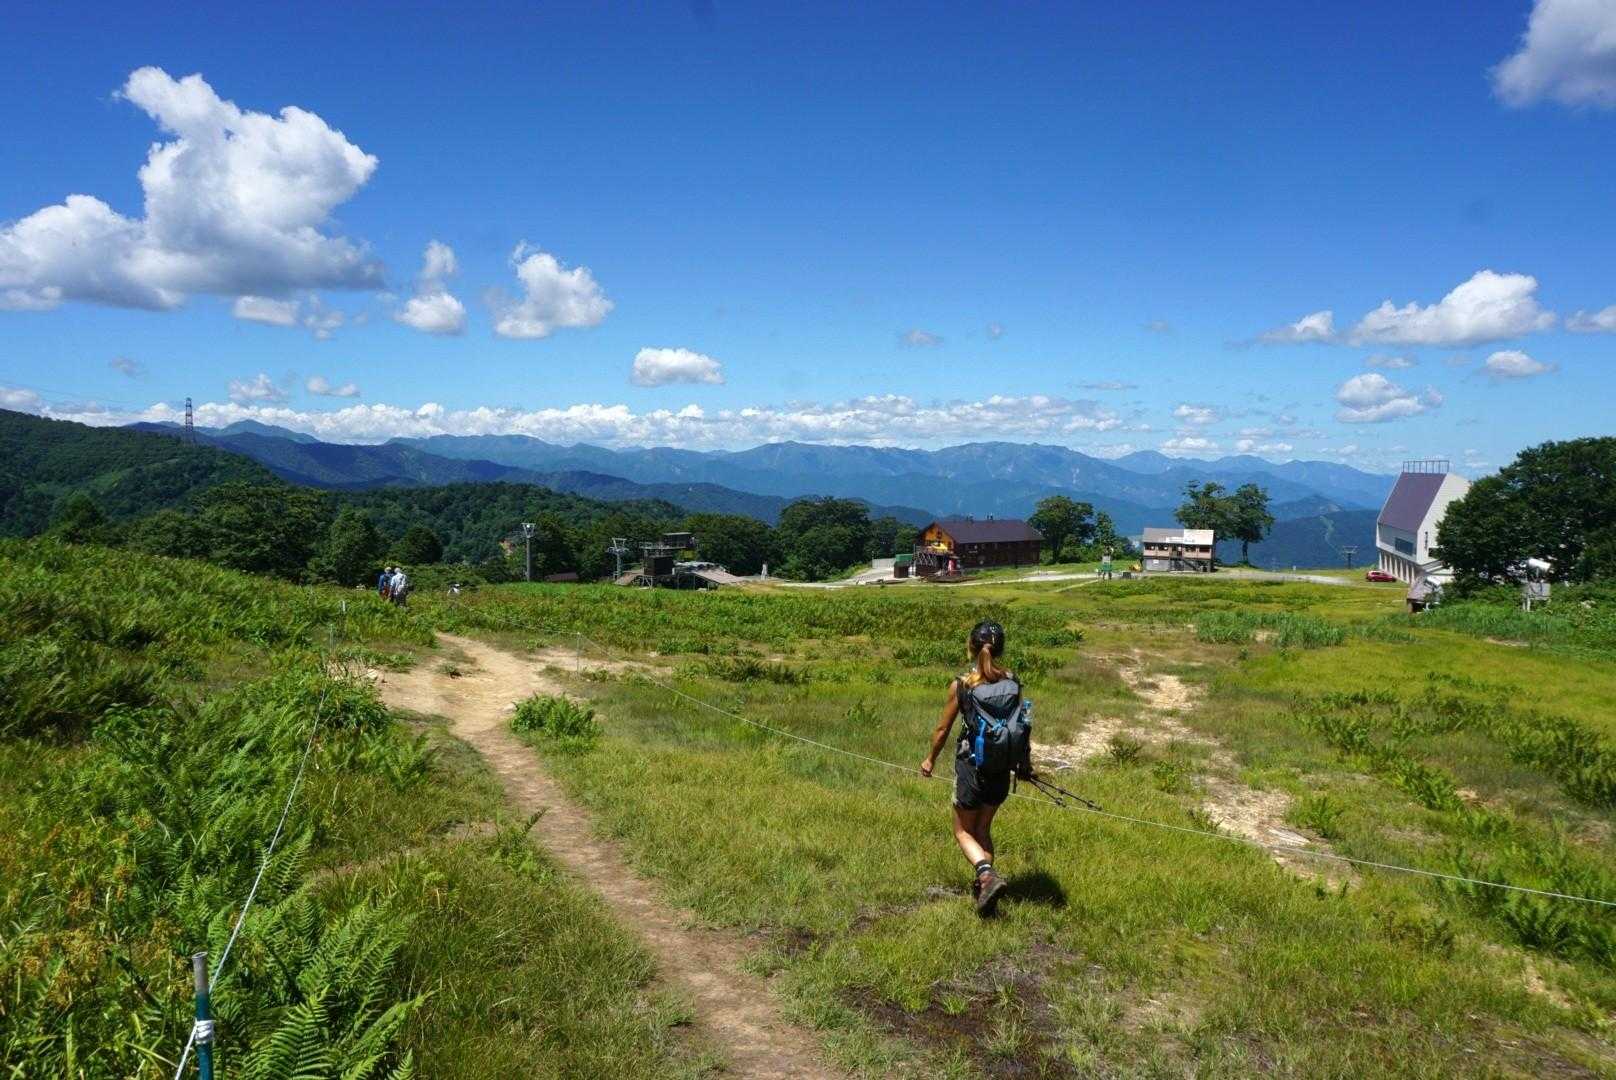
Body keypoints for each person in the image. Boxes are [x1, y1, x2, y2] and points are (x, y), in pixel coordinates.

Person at [919, 620, 1024, 916]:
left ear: (971, 647)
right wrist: (1023, 764)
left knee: (963, 831)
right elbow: (1021, 725)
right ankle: (984, 891)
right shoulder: (1013, 682)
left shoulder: (963, 684)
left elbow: (943, 729)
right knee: (983, 829)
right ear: (1000, 650)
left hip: (972, 767)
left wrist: (930, 759)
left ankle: (987, 876)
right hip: (1001, 768)